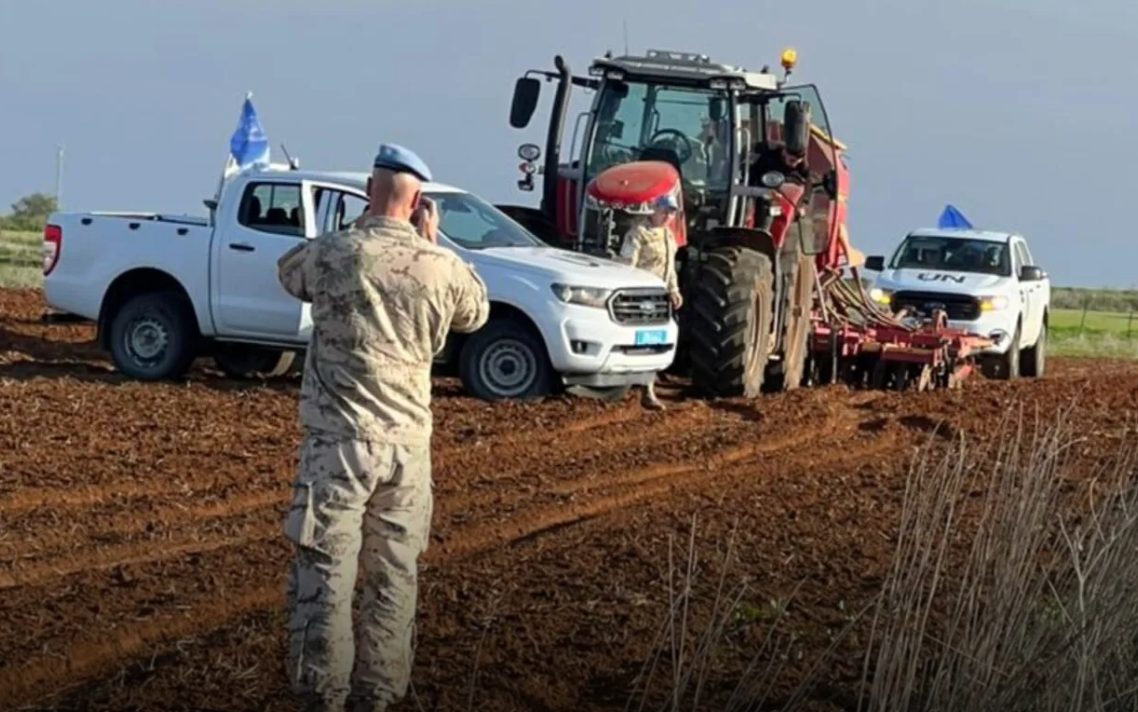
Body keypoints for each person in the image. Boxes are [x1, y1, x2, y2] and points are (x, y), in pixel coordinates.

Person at [276, 143, 490, 712]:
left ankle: (322, 696)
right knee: (393, 580)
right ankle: (377, 697)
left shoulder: (336, 252)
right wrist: (430, 245)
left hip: (338, 447)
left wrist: (358, 226)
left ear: (370, 190)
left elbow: (289, 273)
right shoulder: (440, 267)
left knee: (326, 573)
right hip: (407, 451)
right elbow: (476, 312)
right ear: (420, 201)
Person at [613, 193, 683, 410]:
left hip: (659, 296)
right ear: (653, 209)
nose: (668, 216)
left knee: (654, 341)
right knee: (637, 340)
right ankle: (624, 388)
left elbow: (670, 268)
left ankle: (647, 390)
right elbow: (627, 266)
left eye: (671, 212)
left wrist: (674, 290)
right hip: (641, 295)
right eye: (664, 211)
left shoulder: (668, 236)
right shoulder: (638, 233)